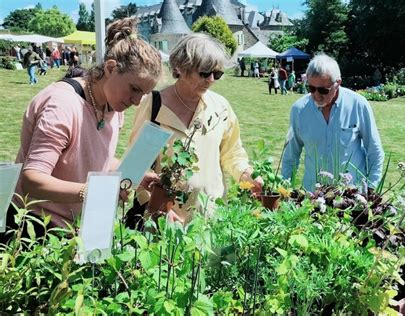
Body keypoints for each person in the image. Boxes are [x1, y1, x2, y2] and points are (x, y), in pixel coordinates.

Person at [1, 18, 162, 243]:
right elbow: (33, 179)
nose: (137, 102)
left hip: (74, 229)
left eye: (143, 94)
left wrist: (132, 172)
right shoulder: (62, 105)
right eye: (134, 89)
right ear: (110, 68)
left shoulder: (114, 106)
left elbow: (93, 157)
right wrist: (93, 192)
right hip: (34, 230)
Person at [130, 33, 263, 224]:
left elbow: (232, 154)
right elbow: (137, 166)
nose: (211, 80)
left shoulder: (221, 107)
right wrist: (156, 208)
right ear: (182, 68)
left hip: (211, 219)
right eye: (204, 73)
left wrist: (247, 176)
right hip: (165, 220)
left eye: (217, 74)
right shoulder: (155, 104)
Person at [281, 53, 385, 191]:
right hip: (313, 196)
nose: (316, 95)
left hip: (351, 197)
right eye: (311, 88)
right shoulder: (299, 110)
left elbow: (374, 151)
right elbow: (291, 156)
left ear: (338, 83)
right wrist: (284, 192)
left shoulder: (358, 104)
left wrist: (371, 189)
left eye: (323, 90)